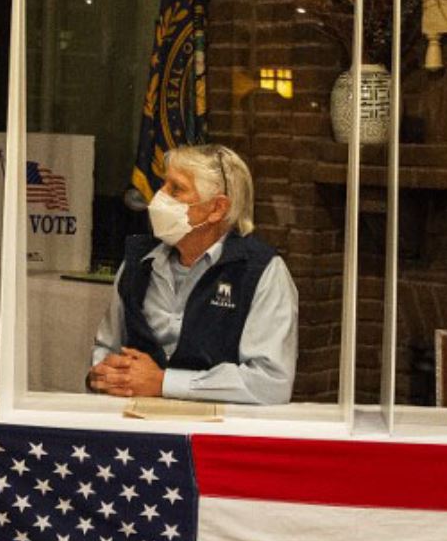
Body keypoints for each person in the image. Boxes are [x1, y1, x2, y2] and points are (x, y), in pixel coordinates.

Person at [88, 144, 297, 405]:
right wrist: (107, 374)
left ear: (217, 209)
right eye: (164, 185)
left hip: (216, 433)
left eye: (176, 189)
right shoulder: (137, 263)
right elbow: (106, 349)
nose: (159, 198)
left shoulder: (260, 271)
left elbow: (270, 382)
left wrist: (164, 383)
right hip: (135, 425)